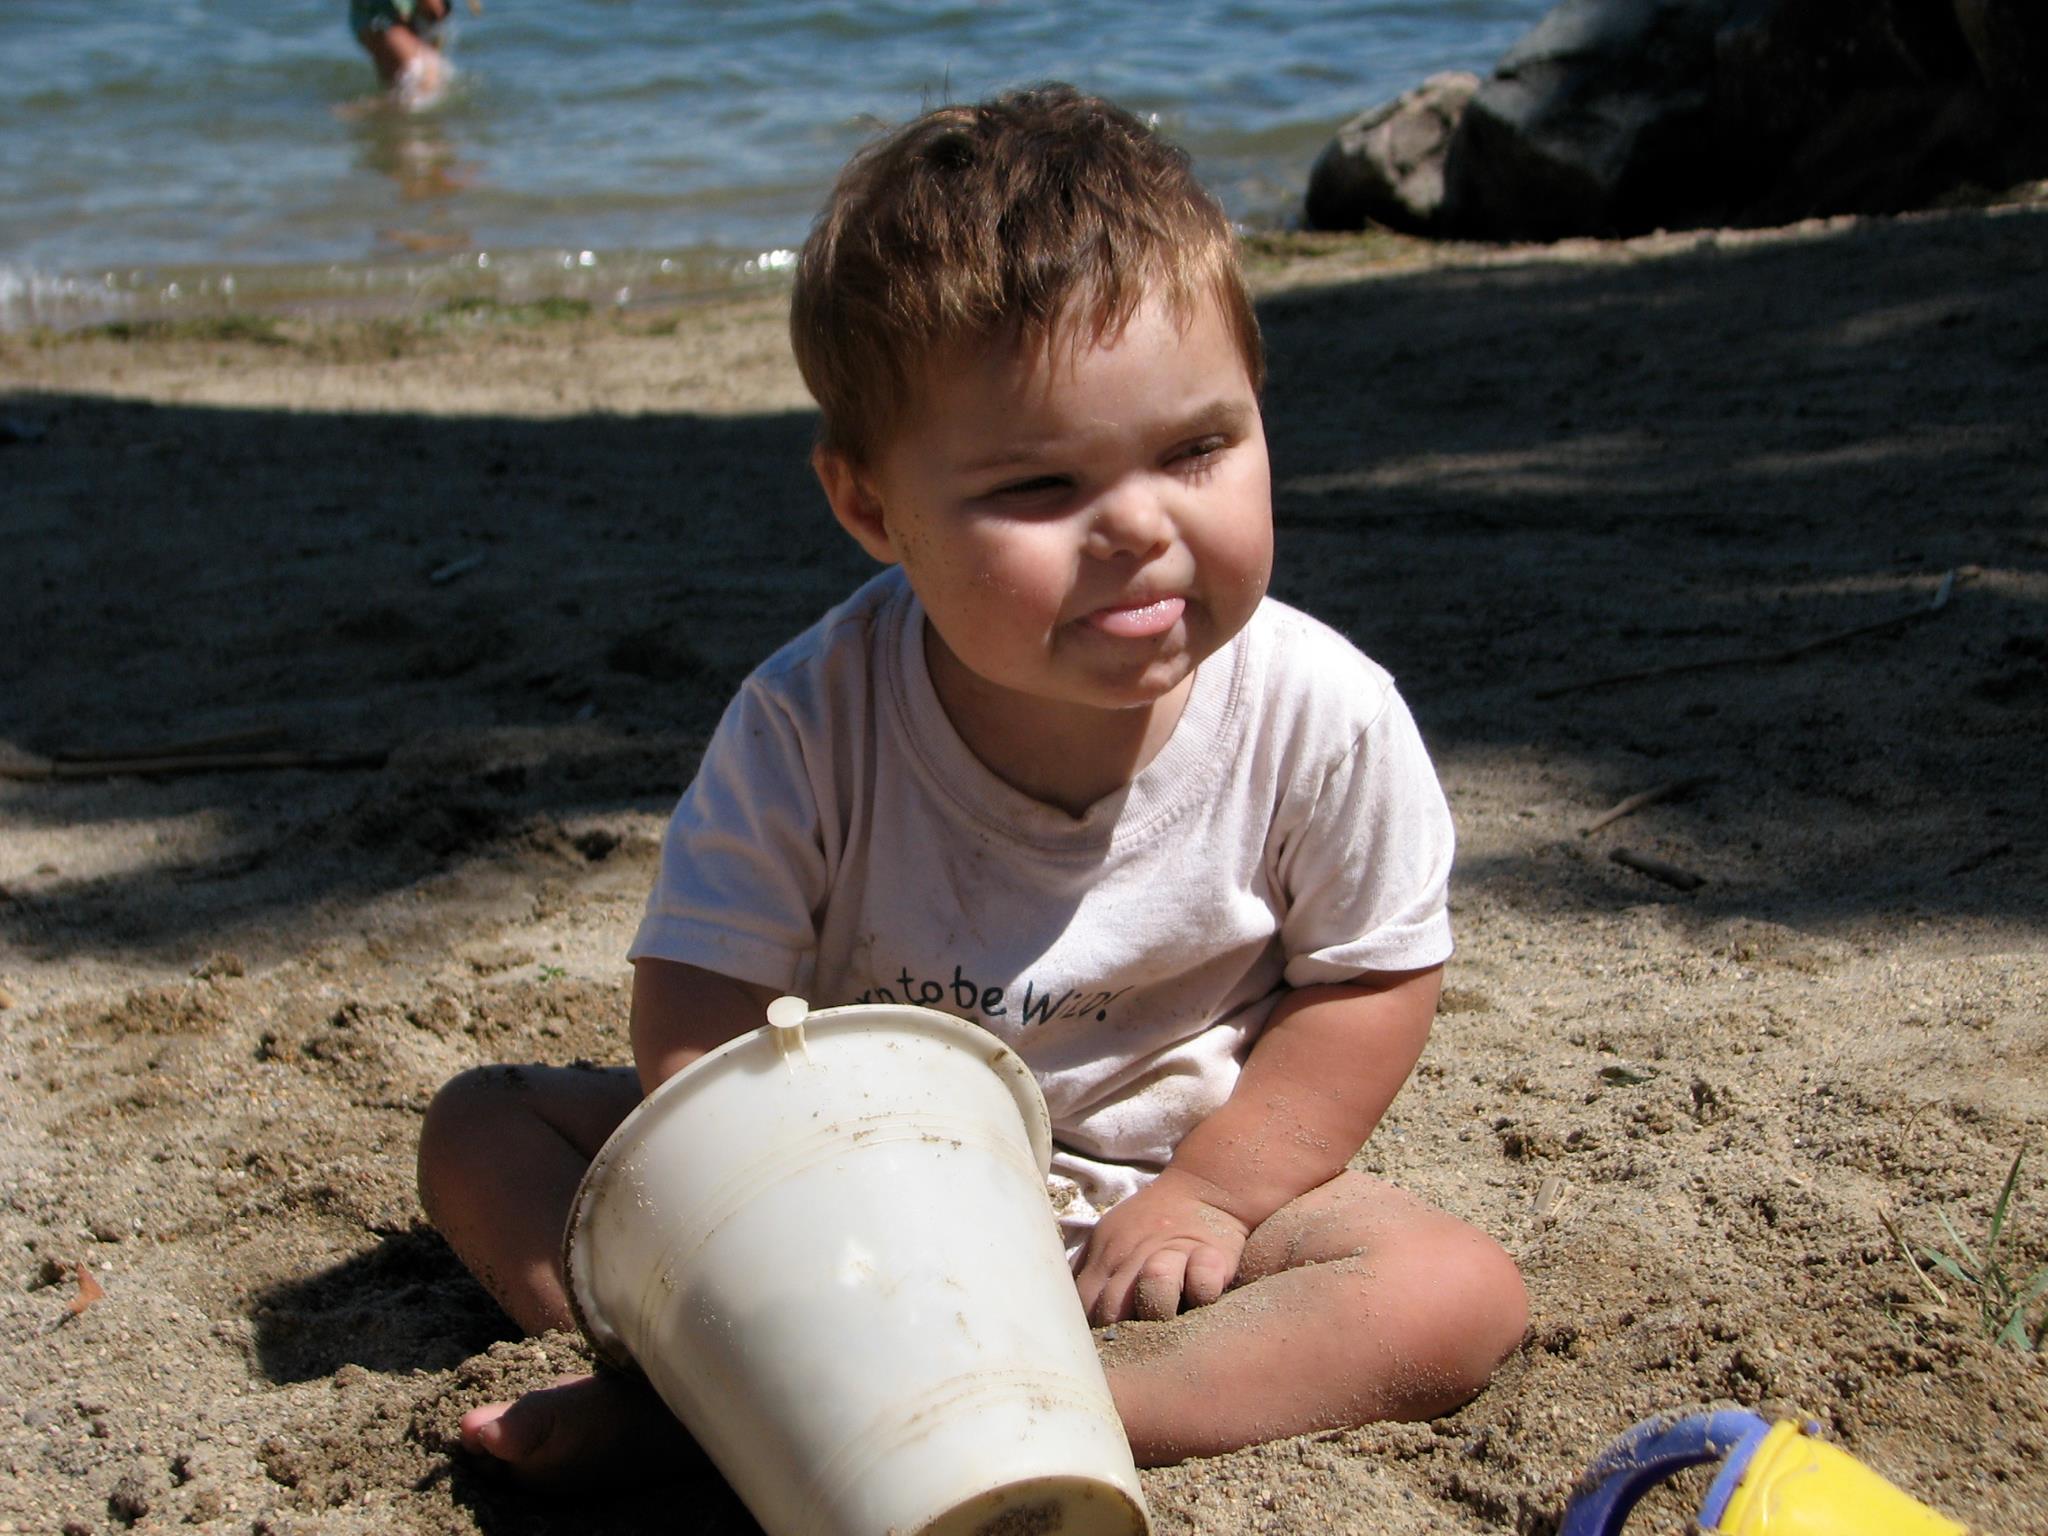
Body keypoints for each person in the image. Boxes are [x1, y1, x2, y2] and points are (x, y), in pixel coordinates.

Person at [416, 82, 1528, 1480]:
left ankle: (1037, 1421)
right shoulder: (810, 721)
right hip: (857, 1212)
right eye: (1038, 488)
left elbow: (1368, 979)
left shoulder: (1325, 714)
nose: (1138, 524)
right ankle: (751, 1389)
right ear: (870, 507)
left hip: (1155, 1198)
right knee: (483, 1130)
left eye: (1197, 448)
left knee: (1453, 1293)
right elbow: (698, 1012)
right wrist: (788, 1215)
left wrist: (1213, 1192)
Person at [350, 0, 453, 105]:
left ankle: (368, 111)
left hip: (381, 19)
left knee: (413, 87)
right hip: (382, 18)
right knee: (420, 84)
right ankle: (356, 111)